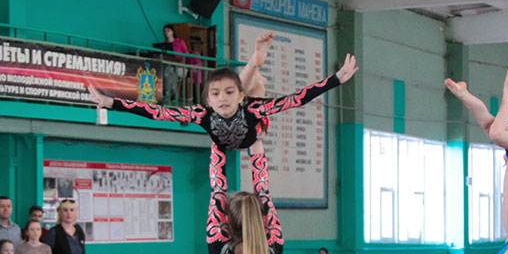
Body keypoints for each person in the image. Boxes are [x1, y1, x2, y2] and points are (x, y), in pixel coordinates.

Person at [88, 40, 358, 152]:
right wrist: (111, 103)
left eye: (227, 93)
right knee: (248, 83)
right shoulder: (201, 113)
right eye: (215, 94)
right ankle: (253, 64)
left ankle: (254, 63)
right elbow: (155, 112)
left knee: (254, 88)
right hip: (224, 143)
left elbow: (297, 98)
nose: (221, 99)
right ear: (207, 99)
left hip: (256, 133)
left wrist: (335, 79)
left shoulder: (253, 110)